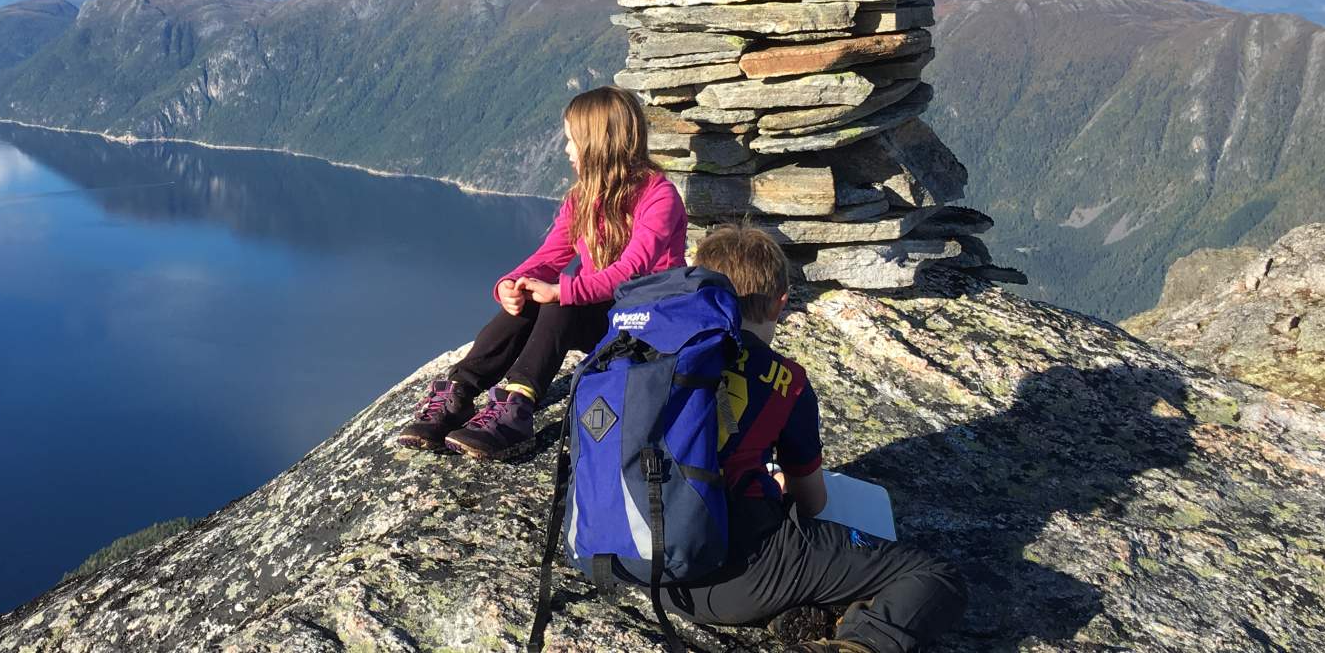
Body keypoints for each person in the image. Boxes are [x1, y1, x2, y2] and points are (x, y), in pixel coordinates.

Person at [673, 224, 967, 653]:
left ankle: (809, 615)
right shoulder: (786, 382)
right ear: (781, 303)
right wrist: (774, 488)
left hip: (645, 567)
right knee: (933, 577)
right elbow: (811, 502)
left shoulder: (657, 355)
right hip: (739, 575)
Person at [393, 85, 687, 460]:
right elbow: (549, 256)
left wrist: (562, 292)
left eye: (572, 140)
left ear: (599, 144)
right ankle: (460, 393)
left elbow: (631, 271)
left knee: (559, 302)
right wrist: (511, 284)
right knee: (534, 295)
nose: (566, 150)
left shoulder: (658, 197)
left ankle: (517, 407)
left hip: (645, 325)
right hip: (605, 316)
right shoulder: (582, 198)